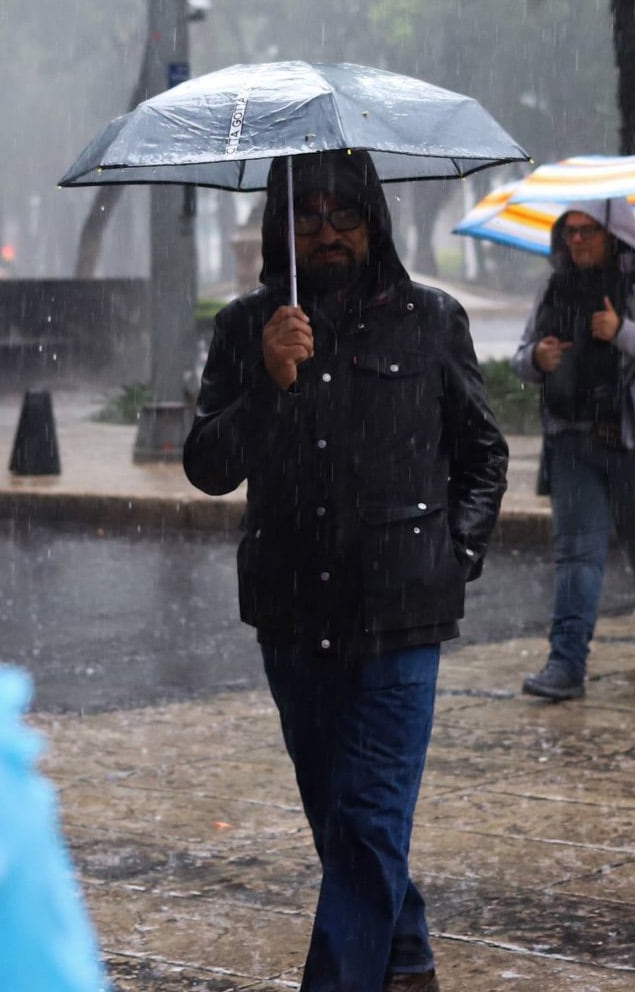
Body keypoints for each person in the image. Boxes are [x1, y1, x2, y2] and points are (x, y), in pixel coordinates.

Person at [184, 150, 508, 992]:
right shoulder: (247, 327)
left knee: (366, 821)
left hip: (402, 616)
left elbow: (483, 453)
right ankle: (406, 959)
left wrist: (455, 556)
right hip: (291, 611)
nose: (327, 232)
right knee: (341, 817)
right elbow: (208, 465)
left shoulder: (432, 320)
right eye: (307, 215)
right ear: (278, 225)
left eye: (345, 213)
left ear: (374, 219)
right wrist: (268, 380)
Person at [514, 199, 635, 701]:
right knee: (577, 553)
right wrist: (537, 358)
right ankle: (566, 664)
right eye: (569, 231)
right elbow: (521, 355)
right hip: (571, 438)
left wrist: (622, 333)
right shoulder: (553, 288)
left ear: (614, 236)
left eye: (588, 231)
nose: (576, 240)